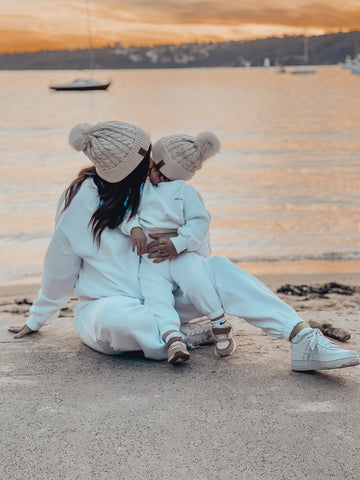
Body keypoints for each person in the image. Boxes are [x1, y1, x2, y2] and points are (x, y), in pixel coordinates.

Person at [8, 120, 360, 373]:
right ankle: (190, 334)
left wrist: (175, 245)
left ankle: (303, 339)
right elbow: (59, 270)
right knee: (116, 321)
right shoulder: (79, 203)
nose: (153, 164)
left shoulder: (163, 191)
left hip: (170, 294)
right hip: (112, 305)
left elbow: (199, 253)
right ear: (125, 170)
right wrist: (37, 319)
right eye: (145, 159)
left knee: (218, 267)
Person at [121, 131, 236, 364]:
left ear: (163, 168)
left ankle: (219, 323)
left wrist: (179, 242)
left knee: (197, 281)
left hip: (181, 254)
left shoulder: (185, 191)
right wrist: (134, 229)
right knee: (155, 296)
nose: (148, 169)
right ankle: (173, 337)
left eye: (153, 164)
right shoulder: (143, 190)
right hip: (152, 259)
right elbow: (127, 212)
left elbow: (199, 221)